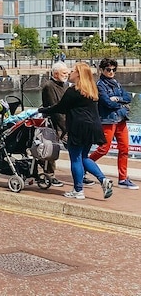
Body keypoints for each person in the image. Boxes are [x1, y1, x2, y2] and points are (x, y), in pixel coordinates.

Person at [39, 62, 113, 200]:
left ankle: (78, 190)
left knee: (75, 158)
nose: (70, 74)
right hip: (93, 128)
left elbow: (60, 108)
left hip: (78, 128)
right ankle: (103, 179)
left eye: (72, 71)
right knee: (84, 157)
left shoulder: (73, 91)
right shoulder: (91, 90)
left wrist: (41, 110)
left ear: (78, 74)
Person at [88, 58, 138, 189]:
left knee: (125, 149)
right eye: (108, 69)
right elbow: (107, 103)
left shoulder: (117, 83)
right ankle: (85, 164)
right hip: (108, 121)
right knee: (104, 149)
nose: (111, 72)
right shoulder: (99, 85)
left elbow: (127, 98)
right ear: (102, 70)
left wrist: (117, 99)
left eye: (113, 70)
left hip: (121, 119)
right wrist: (121, 104)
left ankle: (123, 178)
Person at [39, 61, 70, 187]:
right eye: (64, 73)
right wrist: (65, 127)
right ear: (55, 73)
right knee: (51, 150)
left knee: (72, 148)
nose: (66, 75)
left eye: (67, 73)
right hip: (53, 123)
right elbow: (54, 108)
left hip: (65, 122)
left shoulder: (65, 85)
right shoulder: (49, 86)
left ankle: (81, 174)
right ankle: (49, 175)